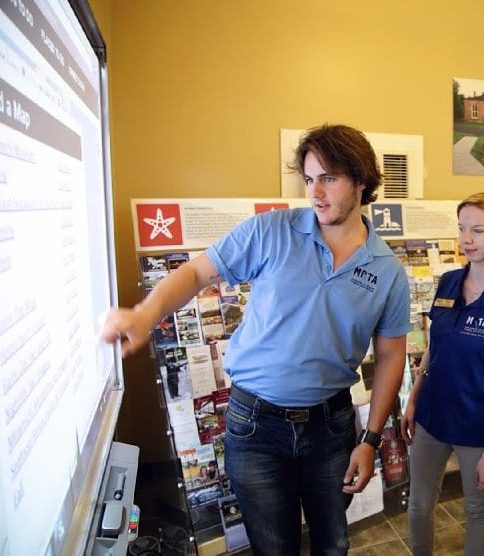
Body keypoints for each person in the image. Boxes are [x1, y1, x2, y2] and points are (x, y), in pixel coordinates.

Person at [101, 124, 411, 555]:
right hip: (255, 425)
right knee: (272, 547)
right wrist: (145, 313)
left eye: (329, 178)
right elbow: (195, 272)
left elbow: (392, 354)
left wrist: (371, 439)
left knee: (333, 543)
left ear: (361, 180)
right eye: (309, 179)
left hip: (331, 428)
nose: (315, 192)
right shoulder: (271, 231)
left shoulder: (388, 269)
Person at [401, 192, 484, 555]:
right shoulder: (447, 283)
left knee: (477, 510)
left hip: (477, 428)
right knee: (418, 505)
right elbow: (433, 348)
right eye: (462, 229)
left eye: (478, 230)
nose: (466, 239)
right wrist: (413, 399)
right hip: (431, 416)